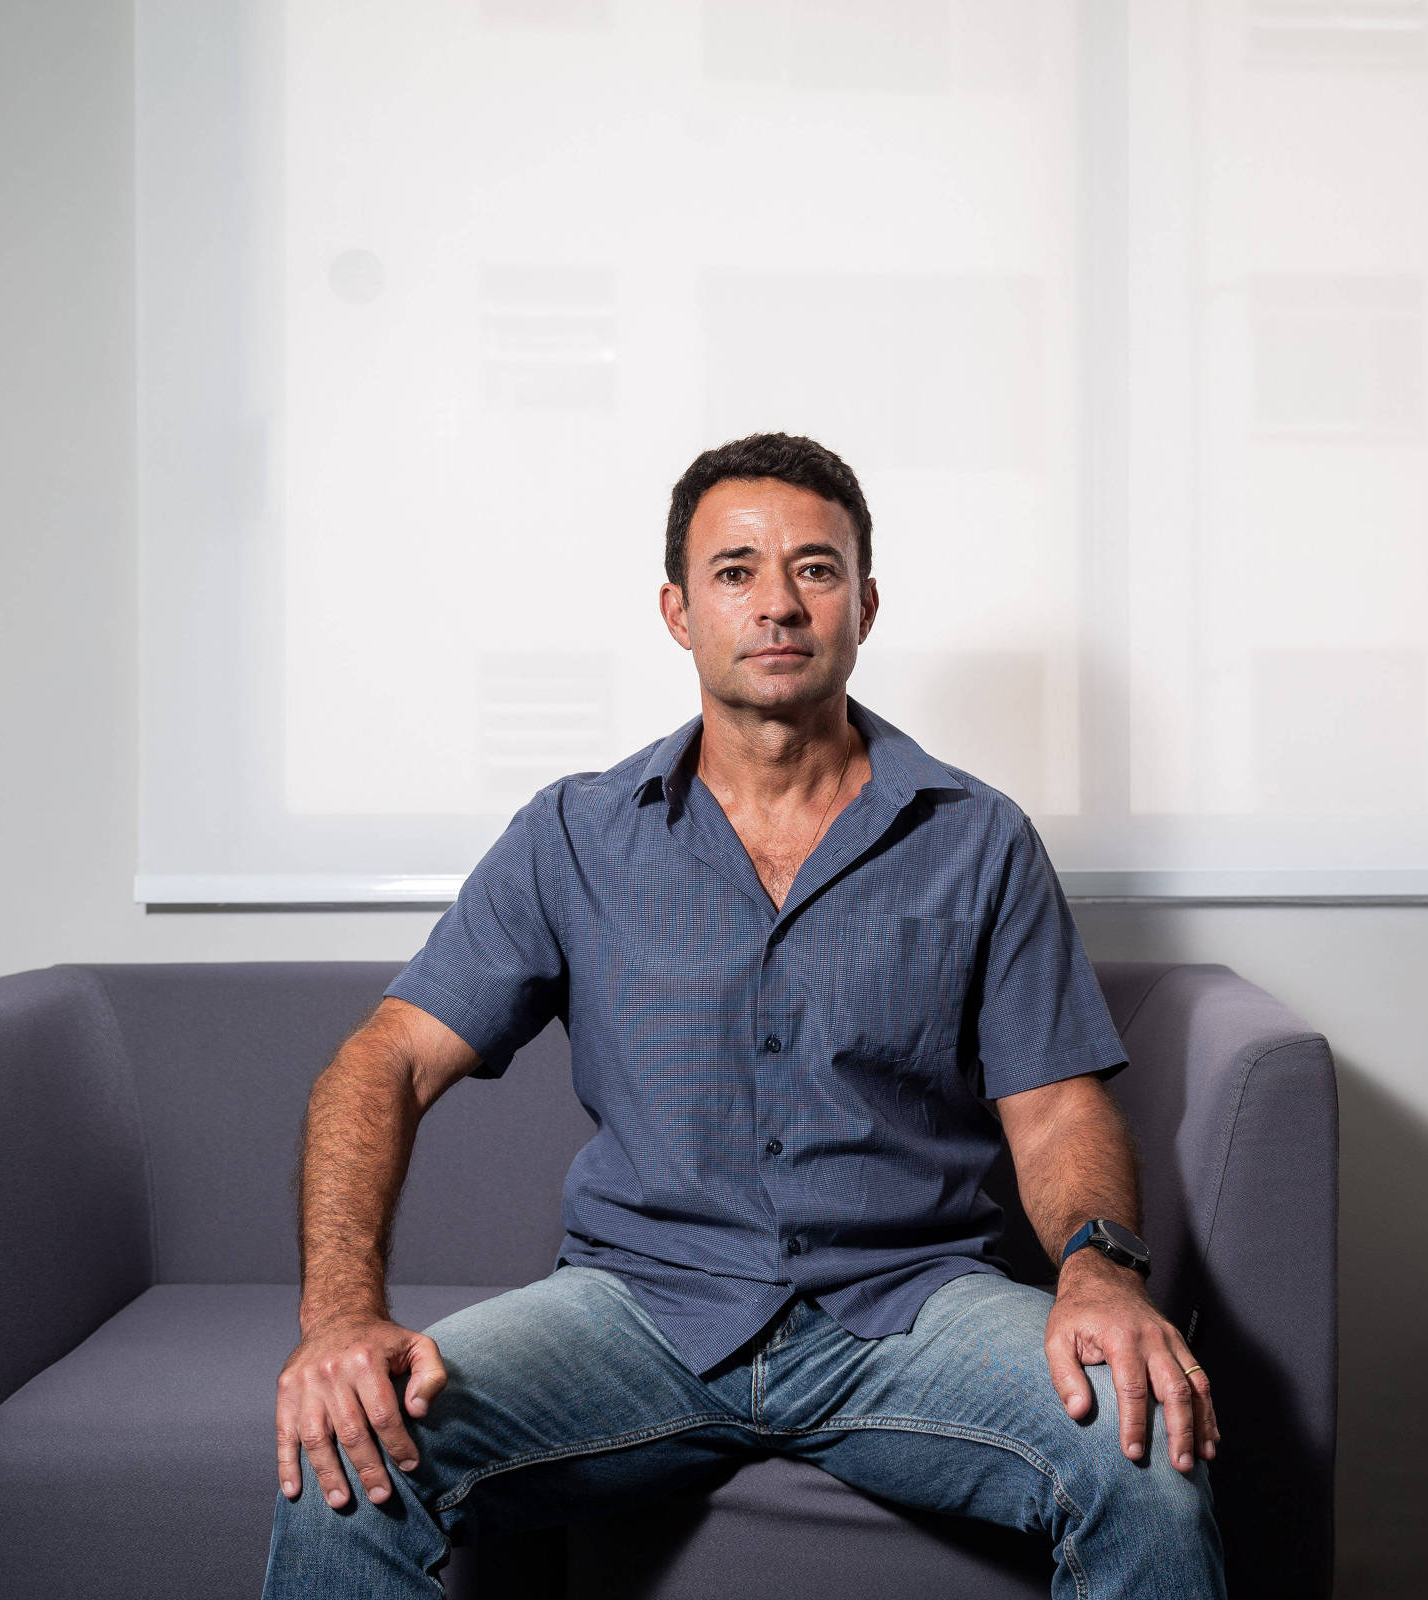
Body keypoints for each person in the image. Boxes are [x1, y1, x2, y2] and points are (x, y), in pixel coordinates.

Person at [260, 433, 1225, 1598]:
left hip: (911, 1310)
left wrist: (1100, 1271)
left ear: (865, 605)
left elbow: (1057, 1108)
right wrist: (340, 1312)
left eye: (816, 569)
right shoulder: (574, 834)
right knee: (347, 1450)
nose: (777, 602)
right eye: (735, 571)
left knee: (1142, 1440)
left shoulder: (980, 838)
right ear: (678, 611)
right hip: (635, 1311)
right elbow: (387, 1061)